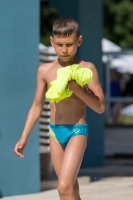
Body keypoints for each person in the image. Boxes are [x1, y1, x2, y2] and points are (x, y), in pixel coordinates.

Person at [14, 17, 105, 200]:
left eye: (69, 44)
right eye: (60, 44)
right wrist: (24, 137)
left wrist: (77, 89)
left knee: (63, 187)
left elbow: (100, 107)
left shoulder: (86, 69)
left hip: (77, 131)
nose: (64, 50)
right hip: (54, 133)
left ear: (79, 41)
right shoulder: (45, 71)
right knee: (71, 189)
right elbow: (37, 106)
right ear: (52, 42)